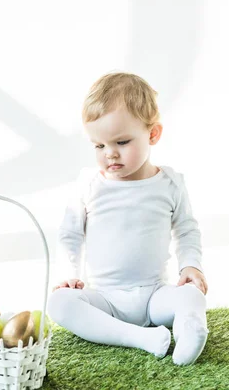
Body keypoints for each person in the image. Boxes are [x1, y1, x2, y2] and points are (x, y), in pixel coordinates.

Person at [47, 72, 209, 365]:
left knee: (191, 296)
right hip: (104, 299)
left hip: (154, 296)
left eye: (121, 142)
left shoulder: (169, 184)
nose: (109, 154)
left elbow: (186, 230)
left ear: (153, 134)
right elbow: (70, 235)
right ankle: (139, 337)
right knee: (59, 304)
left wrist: (191, 266)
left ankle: (191, 333)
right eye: (99, 146)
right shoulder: (89, 184)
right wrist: (68, 274)